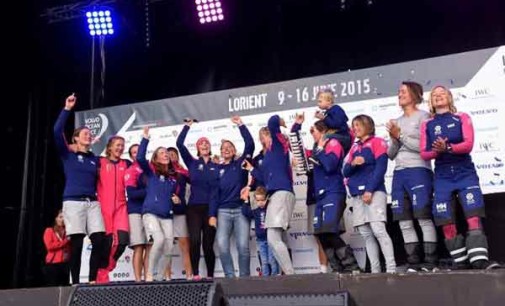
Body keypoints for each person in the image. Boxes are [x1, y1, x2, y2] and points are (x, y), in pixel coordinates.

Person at [420, 86, 499, 270]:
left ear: (449, 97)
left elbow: (468, 144)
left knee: (473, 217)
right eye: (434, 95)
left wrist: (448, 148)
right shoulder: (427, 124)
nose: (438, 96)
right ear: (430, 102)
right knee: (445, 220)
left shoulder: (462, 117)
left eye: (442, 93)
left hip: (465, 174)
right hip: (442, 177)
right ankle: (460, 262)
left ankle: (479, 261)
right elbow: (424, 154)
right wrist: (437, 150)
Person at [293, 115, 359, 273]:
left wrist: (321, 150)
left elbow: (330, 166)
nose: (311, 134)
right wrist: (296, 126)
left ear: (323, 131)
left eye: (313, 131)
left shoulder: (333, 144)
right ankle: (338, 270)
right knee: (322, 235)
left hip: (334, 193)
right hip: (320, 197)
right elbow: (297, 149)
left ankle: (353, 267)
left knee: (330, 231)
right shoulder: (316, 150)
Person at [53, 93, 106, 284]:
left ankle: (91, 280)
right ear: (75, 139)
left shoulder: (94, 158)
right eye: (85, 133)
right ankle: (74, 282)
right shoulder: (68, 155)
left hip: (92, 203)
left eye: (90, 134)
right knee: (76, 244)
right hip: (73, 202)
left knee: (99, 239)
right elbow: (57, 130)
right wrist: (67, 108)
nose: (89, 135)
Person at [386, 81, 438, 271]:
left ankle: (430, 262)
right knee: (404, 220)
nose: (399, 94)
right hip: (399, 174)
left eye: (403, 91)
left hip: (419, 171)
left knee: (423, 217)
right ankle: (413, 262)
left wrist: (400, 136)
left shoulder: (425, 117)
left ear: (415, 95)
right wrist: (393, 138)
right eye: (399, 91)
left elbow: (424, 149)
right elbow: (391, 154)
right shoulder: (397, 121)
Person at [243, 115, 296, 275]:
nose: (262, 140)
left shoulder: (279, 146)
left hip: (281, 192)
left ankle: (290, 274)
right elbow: (264, 179)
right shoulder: (268, 156)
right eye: (260, 138)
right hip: (273, 195)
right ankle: (285, 273)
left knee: (273, 238)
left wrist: (279, 121)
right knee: (275, 239)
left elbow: (272, 121)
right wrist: (251, 169)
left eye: (264, 136)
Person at [343, 114, 396, 273]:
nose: (355, 129)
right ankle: (375, 270)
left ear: (368, 126)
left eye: (359, 125)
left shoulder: (378, 142)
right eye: (354, 126)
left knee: (378, 229)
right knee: (366, 233)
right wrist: (353, 163)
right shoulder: (354, 147)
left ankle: (391, 268)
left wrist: (369, 190)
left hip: (374, 192)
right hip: (357, 195)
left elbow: (381, 168)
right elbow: (345, 171)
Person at [208, 116, 255, 278]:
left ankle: (244, 278)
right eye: (223, 147)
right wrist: (212, 215)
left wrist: (241, 125)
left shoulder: (241, 163)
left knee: (243, 246)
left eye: (229, 147)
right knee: (222, 245)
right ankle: (230, 277)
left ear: (234, 151)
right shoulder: (216, 170)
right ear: (220, 152)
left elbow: (250, 144)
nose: (226, 149)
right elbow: (214, 195)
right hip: (223, 211)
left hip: (241, 210)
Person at [137, 126, 181, 281]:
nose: (166, 154)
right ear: (155, 159)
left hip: (167, 216)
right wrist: (145, 138)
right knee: (159, 240)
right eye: (161, 153)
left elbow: (174, 197)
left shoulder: (173, 179)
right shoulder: (150, 173)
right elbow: (140, 158)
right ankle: (149, 273)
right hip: (150, 213)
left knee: (169, 246)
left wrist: (176, 200)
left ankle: (161, 278)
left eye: (166, 153)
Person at [176, 119, 218, 280]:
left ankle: (210, 275)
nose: (205, 145)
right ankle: (195, 274)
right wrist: (187, 126)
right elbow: (179, 144)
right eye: (201, 144)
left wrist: (213, 212)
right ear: (198, 148)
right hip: (193, 209)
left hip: (210, 209)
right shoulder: (192, 162)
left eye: (207, 143)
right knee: (194, 241)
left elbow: (217, 189)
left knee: (208, 245)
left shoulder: (217, 165)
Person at [96, 136, 131, 283]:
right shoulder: (100, 162)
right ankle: (101, 275)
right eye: (117, 145)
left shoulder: (126, 163)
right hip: (104, 208)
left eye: (122, 145)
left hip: (121, 208)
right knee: (105, 243)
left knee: (122, 242)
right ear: (109, 147)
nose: (120, 148)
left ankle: (107, 267)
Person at [162, 147, 193, 280]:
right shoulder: (160, 172)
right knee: (167, 247)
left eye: (173, 154)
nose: (171, 157)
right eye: (168, 155)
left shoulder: (183, 171)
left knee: (184, 245)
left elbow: (196, 180)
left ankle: (189, 275)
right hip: (165, 213)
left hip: (180, 211)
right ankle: (167, 277)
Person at [125, 144, 149, 282]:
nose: (137, 154)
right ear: (131, 156)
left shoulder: (150, 167)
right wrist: (150, 192)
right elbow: (131, 194)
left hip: (150, 211)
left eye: (138, 151)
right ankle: (138, 280)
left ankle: (148, 278)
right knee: (139, 245)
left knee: (150, 246)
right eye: (134, 152)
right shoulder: (131, 170)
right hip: (135, 211)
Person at [242, 186, 280, 276]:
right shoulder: (255, 211)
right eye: (258, 200)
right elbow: (245, 212)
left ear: (267, 198)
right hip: (260, 240)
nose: (260, 203)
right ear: (255, 200)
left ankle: (276, 276)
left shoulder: (270, 209)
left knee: (272, 259)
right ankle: (265, 279)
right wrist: (246, 201)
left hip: (270, 239)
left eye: (262, 200)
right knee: (264, 261)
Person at [315, 89, 353, 155]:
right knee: (320, 138)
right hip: (336, 135)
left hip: (344, 137)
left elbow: (336, 124)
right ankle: (318, 157)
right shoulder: (327, 112)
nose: (318, 104)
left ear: (329, 101)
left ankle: (317, 156)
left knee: (325, 137)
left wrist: (324, 118)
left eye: (320, 101)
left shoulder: (337, 109)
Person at [43, 210, 71, 286]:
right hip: (53, 264)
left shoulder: (68, 232)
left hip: (65, 263)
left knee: (65, 286)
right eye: (60, 217)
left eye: (64, 218)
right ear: (56, 218)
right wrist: (65, 241)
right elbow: (50, 246)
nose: (62, 220)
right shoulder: (49, 231)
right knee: (53, 286)